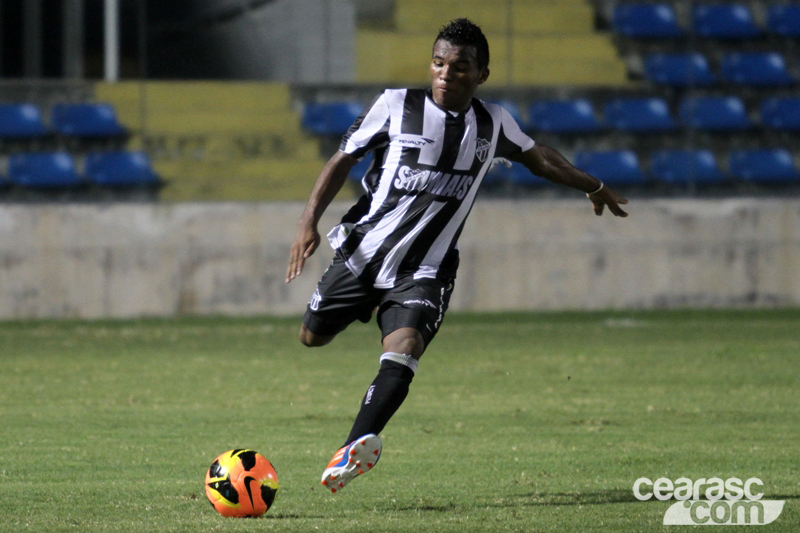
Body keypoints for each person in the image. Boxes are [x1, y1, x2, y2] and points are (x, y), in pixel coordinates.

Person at [285, 18, 628, 493]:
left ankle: (353, 447)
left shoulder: (493, 123)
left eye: (460, 67)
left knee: (404, 349)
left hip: (426, 271)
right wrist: (308, 222)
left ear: (481, 75)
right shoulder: (394, 105)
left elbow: (540, 158)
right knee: (311, 337)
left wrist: (594, 184)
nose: (446, 74)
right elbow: (342, 157)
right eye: (439, 63)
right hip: (362, 255)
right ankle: (362, 312)